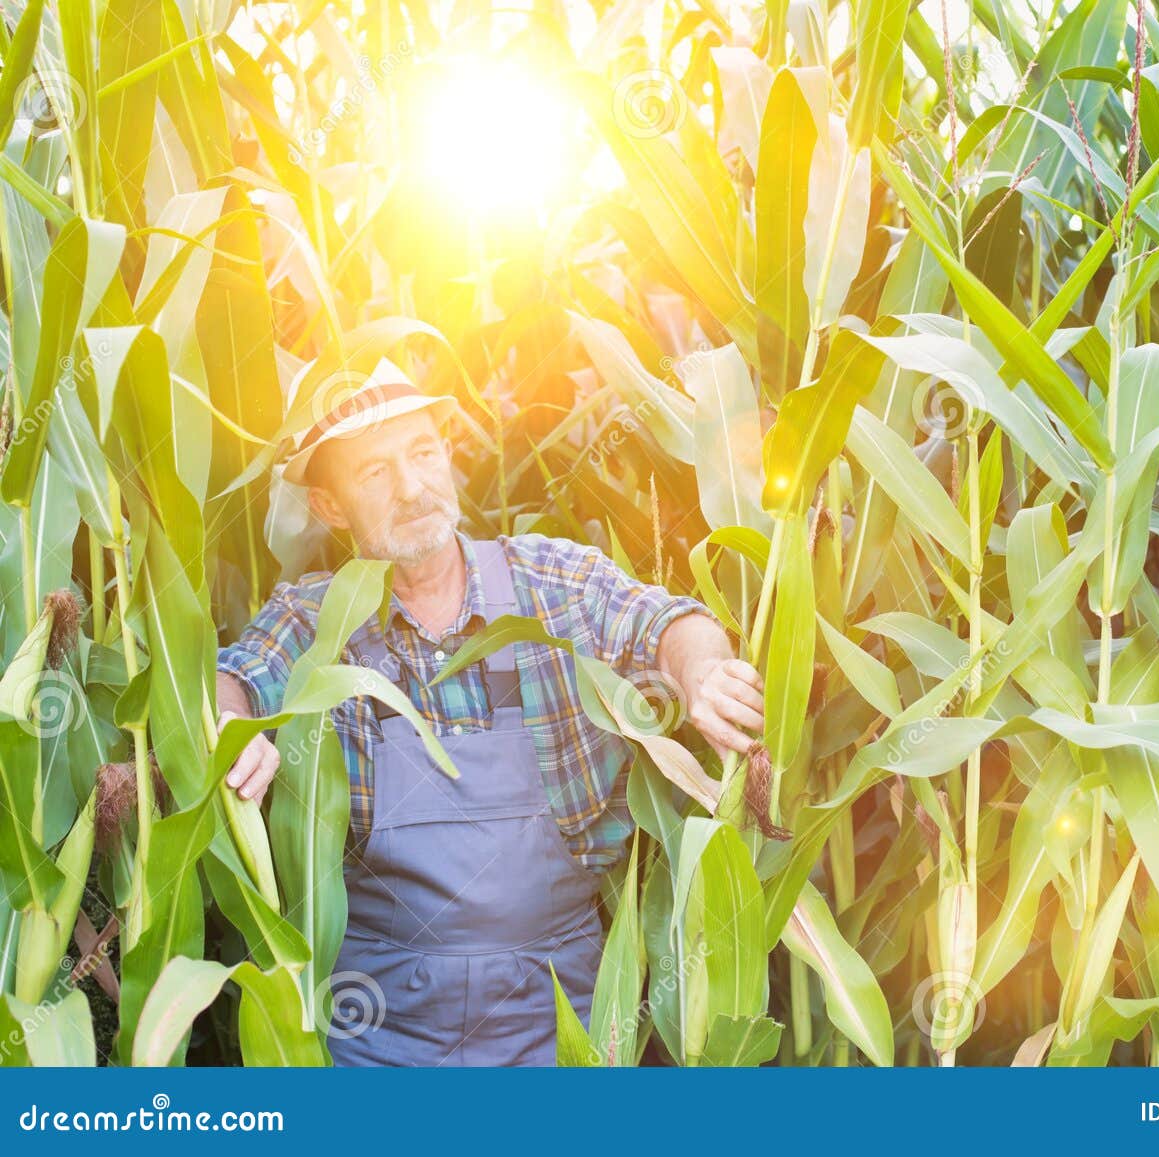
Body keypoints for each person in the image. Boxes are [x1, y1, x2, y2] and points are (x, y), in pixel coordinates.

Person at [215, 358, 764, 1065]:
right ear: (328, 506)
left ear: (446, 453)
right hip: (380, 1029)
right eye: (375, 472)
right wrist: (230, 726)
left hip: (559, 1018)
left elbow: (667, 623)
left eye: (421, 452)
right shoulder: (314, 620)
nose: (412, 488)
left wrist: (704, 670)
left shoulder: (553, 581)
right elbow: (236, 680)